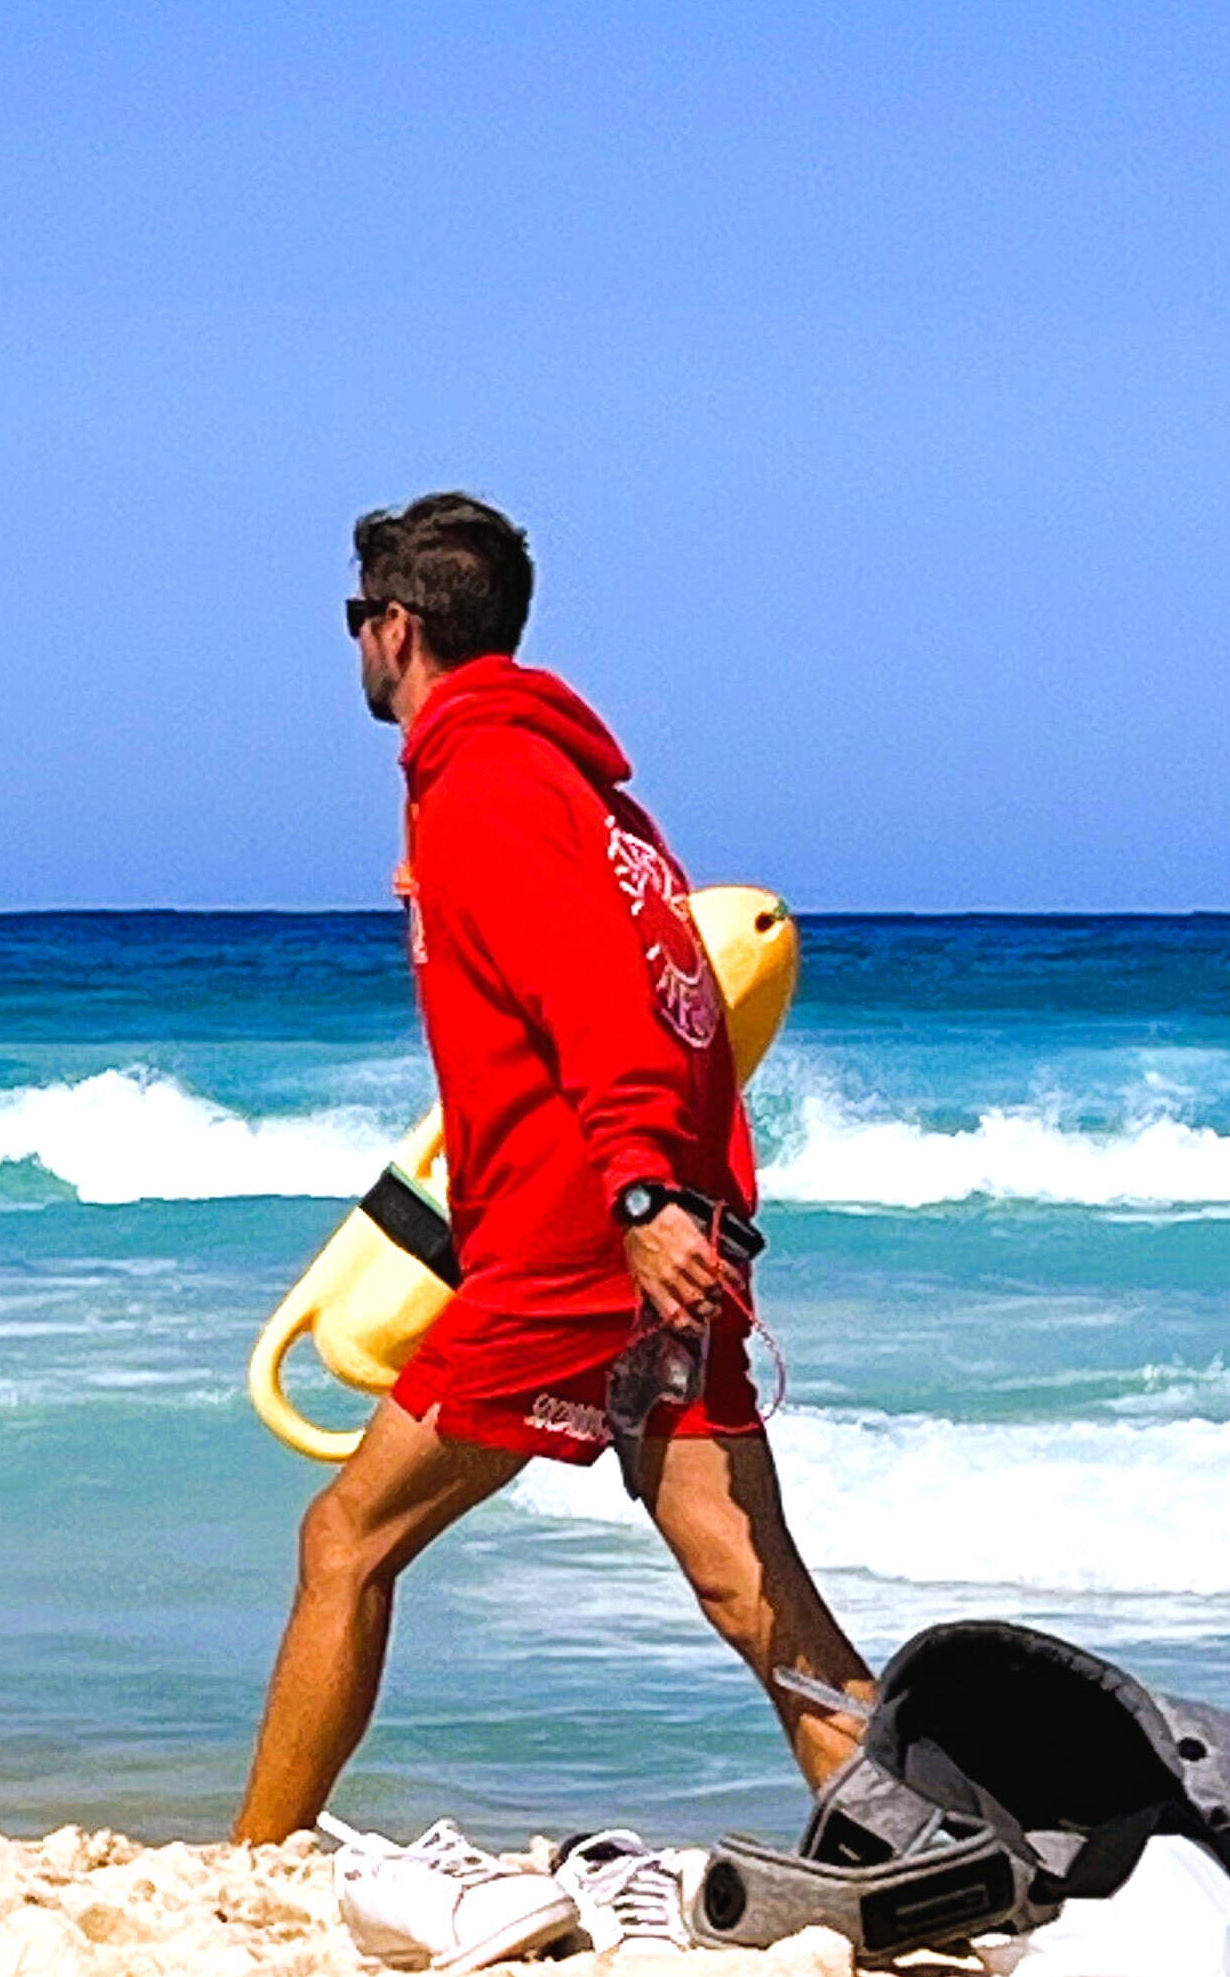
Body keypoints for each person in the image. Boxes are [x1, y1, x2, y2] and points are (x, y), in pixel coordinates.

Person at [232, 492, 871, 1844]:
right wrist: (694, 1209)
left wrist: (636, 1198)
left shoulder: (491, 786)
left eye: (358, 621)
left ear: (397, 627)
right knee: (743, 1577)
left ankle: (250, 1874)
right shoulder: (585, 795)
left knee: (346, 1538)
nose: (354, 647)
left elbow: (603, 1003)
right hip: (658, 1240)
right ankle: (915, 1836)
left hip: (584, 1241)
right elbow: (693, 1007)